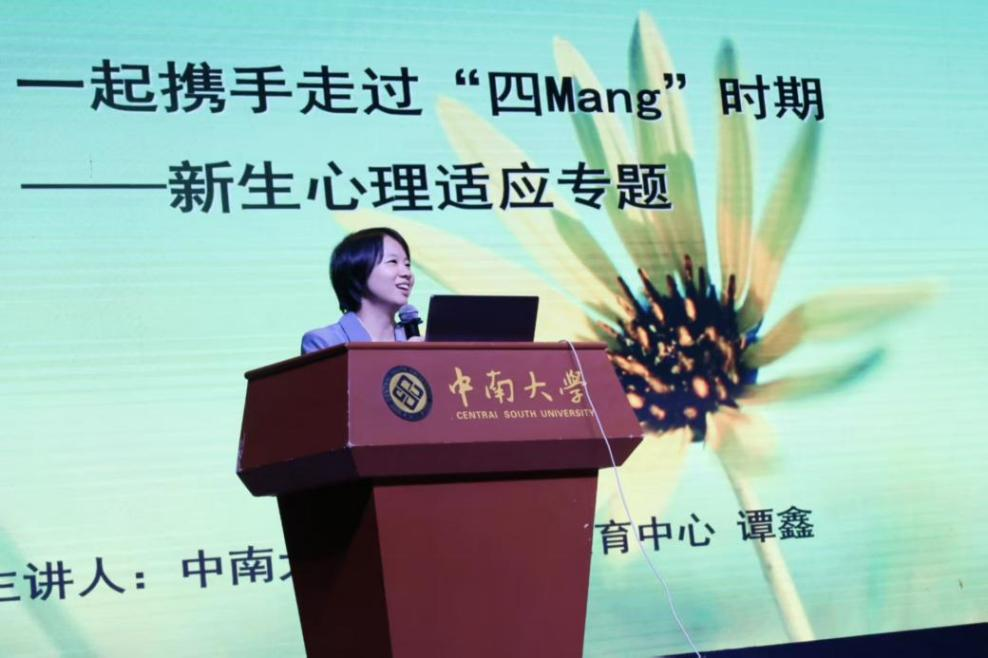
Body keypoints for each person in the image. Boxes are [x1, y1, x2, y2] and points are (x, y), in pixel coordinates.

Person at [301, 227, 416, 354]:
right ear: (358, 271)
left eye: (407, 264)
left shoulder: (415, 341)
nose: (407, 273)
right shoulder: (324, 342)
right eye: (393, 262)